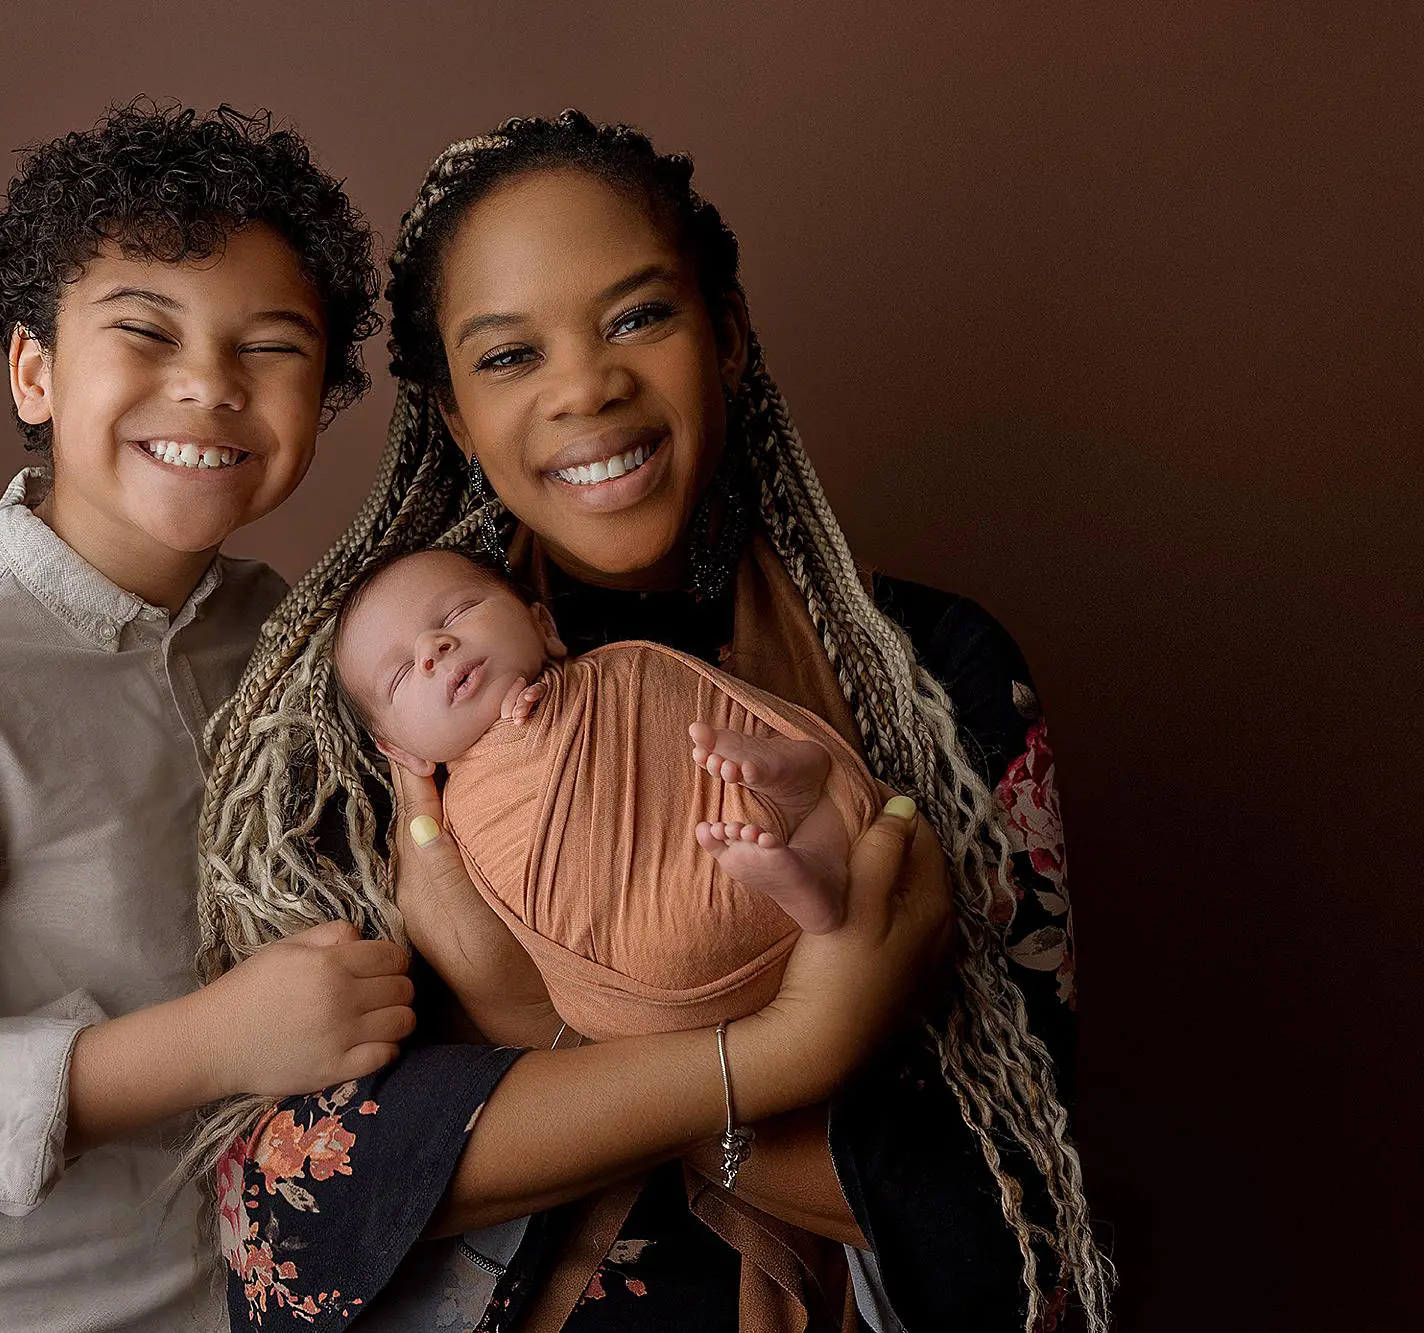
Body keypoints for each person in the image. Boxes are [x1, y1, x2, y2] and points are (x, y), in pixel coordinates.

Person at [198, 113, 1106, 1332]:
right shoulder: (371, 723)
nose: (585, 385)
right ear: (456, 418)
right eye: (508, 357)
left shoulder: (932, 683)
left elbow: (1016, 1210)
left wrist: (541, 1066)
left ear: (725, 336)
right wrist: (791, 1053)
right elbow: (285, 1211)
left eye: (637, 317)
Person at [0, 103, 412, 1333]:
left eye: (271, 346)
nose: (210, 386)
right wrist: (209, 1047)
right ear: (34, 370)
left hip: (278, 1295)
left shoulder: (292, 634)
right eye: (145, 332)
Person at [331, 545, 884, 1030]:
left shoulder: (617, 675)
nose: (435, 647)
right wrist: (521, 740)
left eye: (460, 611)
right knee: (661, 945)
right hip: (661, 937)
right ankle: (799, 848)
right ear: (401, 752)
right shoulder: (463, 817)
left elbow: (673, 715)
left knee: (769, 754)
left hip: (737, 802)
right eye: (402, 672)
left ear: (543, 626)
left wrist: (545, 706)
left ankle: (810, 842)